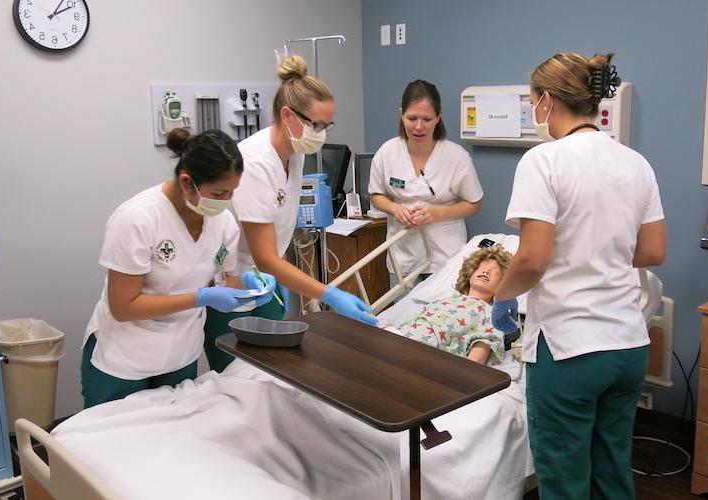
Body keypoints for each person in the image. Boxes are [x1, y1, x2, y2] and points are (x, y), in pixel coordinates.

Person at [490, 52, 666, 499]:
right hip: (627, 347)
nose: (534, 113)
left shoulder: (543, 160)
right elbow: (653, 251)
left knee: (565, 481)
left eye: (533, 102)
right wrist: (599, 255)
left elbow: (531, 261)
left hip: (570, 350)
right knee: (611, 472)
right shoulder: (636, 163)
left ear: (547, 100)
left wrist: (502, 296)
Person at [203, 55, 377, 373]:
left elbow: (278, 231)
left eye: (327, 125)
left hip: (263, 285)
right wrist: (329, 293)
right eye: (316, 124)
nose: (322, 133)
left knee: (272, 378)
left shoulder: (294, 154)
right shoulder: (254, 163)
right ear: (287, 115)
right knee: (238, 386)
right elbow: (266, 257)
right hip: (233, 288)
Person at [81, 129, 276, 409]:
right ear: (187, 183)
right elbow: (123, 307)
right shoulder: (137, 219)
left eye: (232, 192)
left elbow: (223, 282)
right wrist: (199, 298)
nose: (226, 201)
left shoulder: (223, 223)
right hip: (124, 362)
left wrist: (249, 283)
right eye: (219, 193)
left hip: (180, 359)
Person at [369, 79, 484, 285]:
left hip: (445, 255)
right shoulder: (387, 152)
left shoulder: (456, 157)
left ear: (438, 117)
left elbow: (474, 203)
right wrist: (395, 209)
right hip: (403, 254)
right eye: (412, 118)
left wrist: (437, 213)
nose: (419, 126)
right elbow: (376, 195)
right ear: (401, 114)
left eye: (427, 119)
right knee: (400, 314)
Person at [391, 245, 512, 364]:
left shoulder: (492, 313)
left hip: (420, 349)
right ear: (470, 273)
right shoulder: (446, 300)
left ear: (504, 284)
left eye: (495, 272)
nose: (486, 271)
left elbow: (484, 345)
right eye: (481, 268)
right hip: (397, 333)